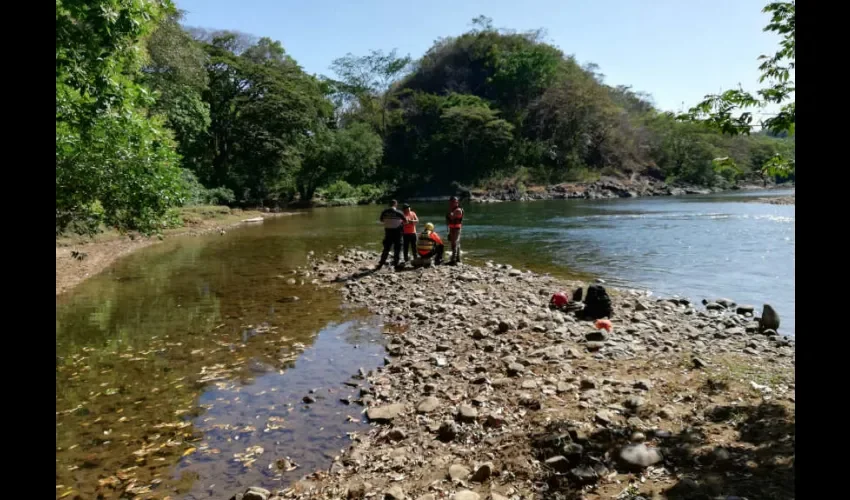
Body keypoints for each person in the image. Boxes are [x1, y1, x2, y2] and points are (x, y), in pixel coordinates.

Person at [377, 200, 407, 269]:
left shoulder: (384, 212)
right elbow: (406, 222)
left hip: (388, 232)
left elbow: (381, 220)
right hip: (397, 233)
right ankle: (396, 263)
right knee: (397, 248)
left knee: (386, 248)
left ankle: (381, 263)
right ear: (395, 204)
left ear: (389, 204)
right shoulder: (399, 212)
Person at [445, 196, 464, 264]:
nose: (452, 203)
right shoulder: (452, 209)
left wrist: (449, 213)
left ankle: (453, 260)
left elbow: (452, 217)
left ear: (457, 203)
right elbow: (449, 220)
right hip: (452, 228)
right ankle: (458, 259)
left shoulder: (458, 210)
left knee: (454, 243)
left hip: (456, 228)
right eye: (451, 202)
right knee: (456, 243)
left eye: (453, 202)